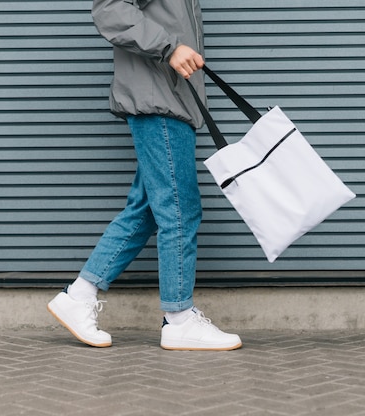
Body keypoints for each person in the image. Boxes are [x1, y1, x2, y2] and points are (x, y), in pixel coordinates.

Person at [47, 0, 242, 351]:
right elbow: (110, 9)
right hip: (160, 101)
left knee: (148, 208)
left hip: (168, 98)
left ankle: (79, 295)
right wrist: (169, 47)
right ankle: (179, 318)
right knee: (180, 210)